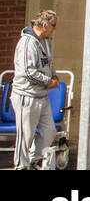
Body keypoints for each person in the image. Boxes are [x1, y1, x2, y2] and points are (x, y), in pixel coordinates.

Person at [13, 9, 58, 169]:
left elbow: (49, 62)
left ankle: (33, 160)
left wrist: (54, 77)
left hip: (42, 96)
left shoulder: (45, 41)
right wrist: (48, 82)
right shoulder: (27, 43)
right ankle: (21, 165)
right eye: (53, 25)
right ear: (44, 25)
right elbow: (28, 72)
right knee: (26, 135)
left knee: (49, 132)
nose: (54, 29)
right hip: (27, 95)